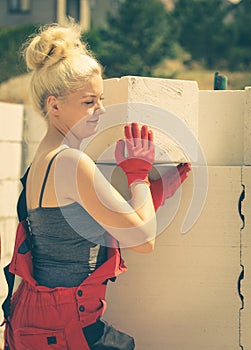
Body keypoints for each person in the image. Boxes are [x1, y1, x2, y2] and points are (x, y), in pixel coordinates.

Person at [2, 19, 191, 349]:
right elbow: (143, 239)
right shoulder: (70, 163)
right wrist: (137, 174)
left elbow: (97, 222)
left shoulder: (42, 162)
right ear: (55, 105)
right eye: (89, 102)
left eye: (101, 99)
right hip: (62, 329)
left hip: (35, 322)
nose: (101, 110)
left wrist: (155, 192)